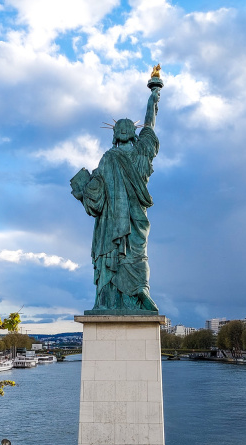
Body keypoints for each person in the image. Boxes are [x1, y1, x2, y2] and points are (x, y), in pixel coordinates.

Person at [71, 86, 161, 312]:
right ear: (133, 133)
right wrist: (153, 99)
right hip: (136, 219)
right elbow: (149, 126)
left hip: (112, 225)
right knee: (138, 254)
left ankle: (108, 300)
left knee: (113, 255)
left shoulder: (108, 159)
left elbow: (95, 195)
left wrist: (83, 189)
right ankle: (140, 289)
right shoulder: (142, 154)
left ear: (115, 135)